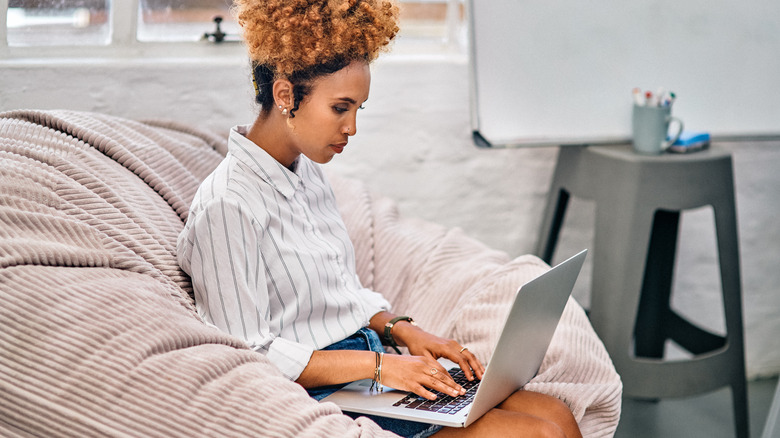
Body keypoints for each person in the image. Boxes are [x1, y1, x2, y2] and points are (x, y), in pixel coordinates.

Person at [177, 1, 582, 437]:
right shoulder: (228, 206)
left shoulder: (306, 171)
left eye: (358, 110)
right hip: (323, 393)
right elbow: (249, 354)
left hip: (371, 368)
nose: (351, 128)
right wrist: (383, 367)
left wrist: (402, 329)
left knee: (555, 414)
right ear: (285, 95)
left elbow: (340, 294)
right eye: (340, 108)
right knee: (539, 434)